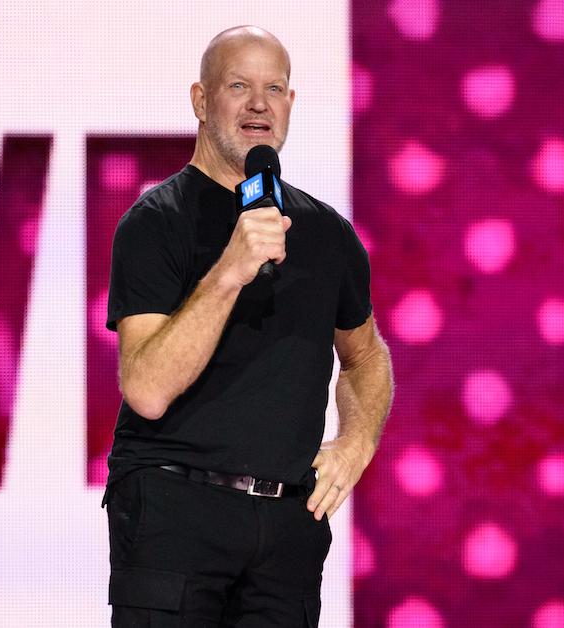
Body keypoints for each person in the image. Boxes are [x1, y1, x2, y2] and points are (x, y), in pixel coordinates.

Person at [103, 25, 393, 627]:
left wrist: (355, 442)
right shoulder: (155, 223)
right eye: (239, 85)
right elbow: (147, 390)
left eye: (274, 88)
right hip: (173, 513)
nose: (259, 103)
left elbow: (366, 357)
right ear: (201, 101)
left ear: (291, 104)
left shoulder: (329, 235)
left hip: (287, 529)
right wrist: (230, 271)